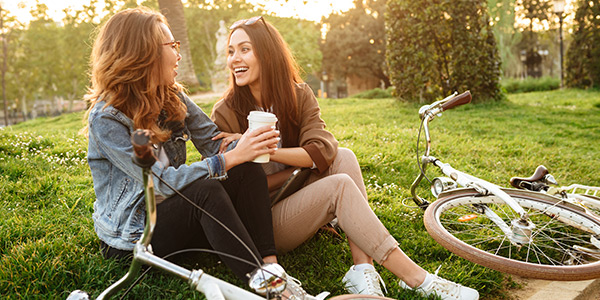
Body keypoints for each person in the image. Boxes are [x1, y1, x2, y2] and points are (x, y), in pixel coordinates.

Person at [210, 16, 480, 300]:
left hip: (292, 192)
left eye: (244, 49)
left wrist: (266, 150)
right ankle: (417, 279)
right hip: (262, 223)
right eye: (231, 51)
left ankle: (362, 270)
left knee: (344, 157)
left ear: (267, 53)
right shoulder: (225, 111)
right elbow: (234, 192)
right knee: (338, 184)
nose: (234, 59)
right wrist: (295, 167)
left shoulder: (298, 95)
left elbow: (323, 149)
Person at [82, 7, 316, 299]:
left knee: (246, 168)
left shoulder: (171, 95)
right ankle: (270, 289)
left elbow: (212, 139)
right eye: (172, 46)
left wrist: (243, 144)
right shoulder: (107, 119)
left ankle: (272, 269)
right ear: (144, 53)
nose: (178, 54)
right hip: (135, 237)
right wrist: (229, 157)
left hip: (177, 219)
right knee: (207, 189)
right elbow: (160, 180)